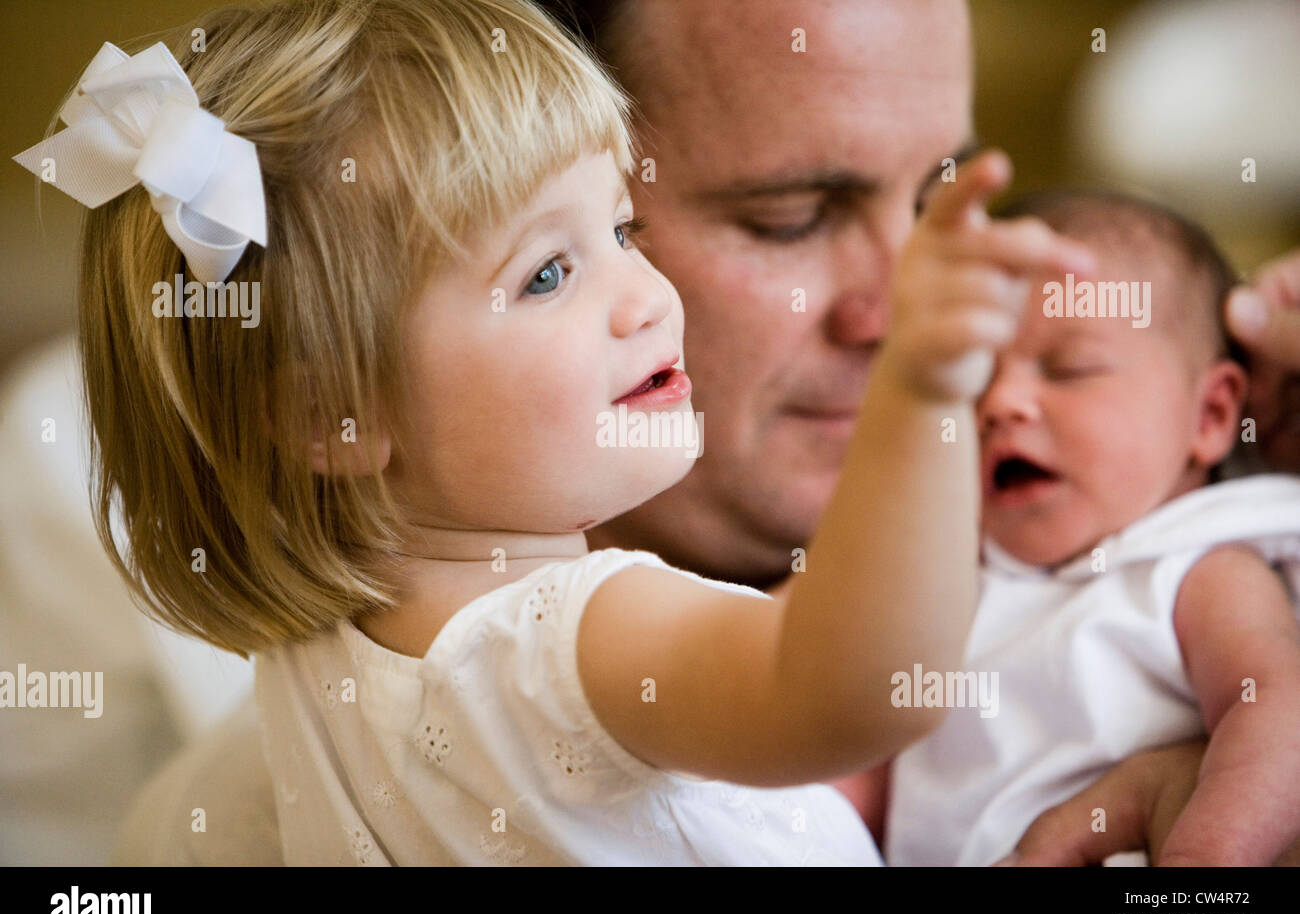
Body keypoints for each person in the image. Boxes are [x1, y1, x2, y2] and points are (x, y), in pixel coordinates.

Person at [104, 0, 1300, 864]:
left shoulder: (331, 674)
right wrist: (923, 401)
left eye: (938, 200)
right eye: (787, 216)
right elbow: (848, 685)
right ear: (328, 411)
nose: (897, 311)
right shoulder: (577, 643)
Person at [884, 190, 1300, 866]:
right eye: (975, 379)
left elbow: (1279, 716)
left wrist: (1204, 866)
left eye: (1068, 368)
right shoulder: (950, 578)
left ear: (1212, 415)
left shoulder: (1193, 565)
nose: (1001, 403)